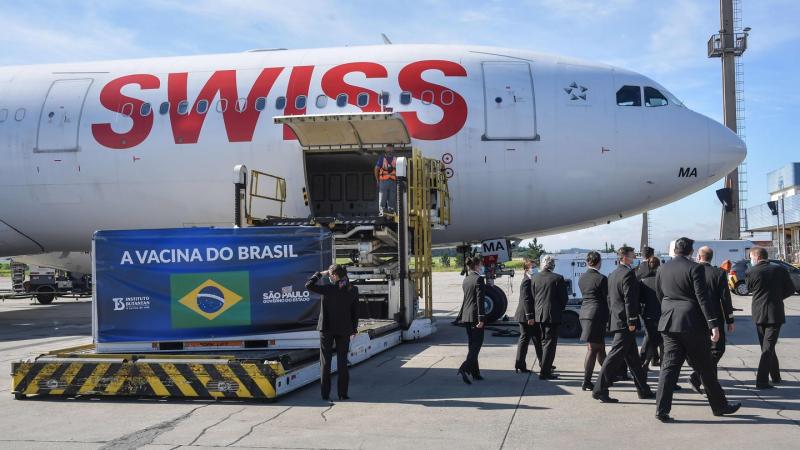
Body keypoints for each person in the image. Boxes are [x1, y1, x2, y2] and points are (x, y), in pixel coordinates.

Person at [654, 237, 740, 422]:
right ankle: (720, 406)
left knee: (669, 368)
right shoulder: (695, 268)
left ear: (675, 250)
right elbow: (703, 298)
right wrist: (713, 325)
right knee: (706, 368)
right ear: (691, 252)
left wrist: (669, 310)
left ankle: (661, 410)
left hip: (669, 322)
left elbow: (660, 294)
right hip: (692, 323)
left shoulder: (662, 268)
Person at [593, 246, 654, 403]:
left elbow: (610, 299)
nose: (635, 255)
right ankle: (600, 389)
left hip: (618, 319)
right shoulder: (627, 274)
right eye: (632, 254)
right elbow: (629, 299)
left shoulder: (613, 274)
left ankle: (643, 390)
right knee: (614, 356)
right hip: (625, 322)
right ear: (625, 257)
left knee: (633, 359)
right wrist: (632, 320)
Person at [306, 264, 360, 401]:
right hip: (344, 329)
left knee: (325, 362)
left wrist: (319, 274)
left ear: (335, 276)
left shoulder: (329, 289)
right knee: (342, 362)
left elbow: (309, 285)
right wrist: (354, 329)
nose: (328, 276)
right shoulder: (352, 289)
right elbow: (355, 312)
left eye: (330, 274)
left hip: (327, 329)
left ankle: (325, 394)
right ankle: (343, 394)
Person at [746, 246, 795, 389]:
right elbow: (791, 289)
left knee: (766, 347)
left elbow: (749, 289)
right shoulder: (780, 269)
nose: (750, 260)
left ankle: (763, 380)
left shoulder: (751, 271)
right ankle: (773, 377)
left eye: (751, 257)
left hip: (759, 313)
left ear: (756, 257)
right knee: (768, 347)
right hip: (775, 312)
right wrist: (778, 297)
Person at [689, 246, 735, 394]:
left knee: (705, 350)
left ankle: (709, 382)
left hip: (695, 317)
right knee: (717, 349)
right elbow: (725, 298)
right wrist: (730, 319)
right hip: (714, 317)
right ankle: (698, 377)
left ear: (699, 256)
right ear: (711, 257)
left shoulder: (691, 271)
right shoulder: (718, 273)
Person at [532, 254, 568, 380]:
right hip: (552, 315)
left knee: (543, 342)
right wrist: (560, 308)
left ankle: (544, 366)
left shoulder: (535, 277)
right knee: (550, 344)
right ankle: (545, 372)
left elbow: (533, 295)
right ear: (553, 265)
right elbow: (564, 298)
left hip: (539, 315)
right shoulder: (558, 278)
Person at [578, 251, 609, 391]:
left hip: (584, 312)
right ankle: (586, 381)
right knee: (593, 348)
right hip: (596, 314)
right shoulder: (601, 278)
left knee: (600, 347)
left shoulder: (582, 278)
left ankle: (609, 374)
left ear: (587, 262)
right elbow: (606, 298)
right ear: (599, 262)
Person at [456, 256, 486, 384]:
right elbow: (479, 300)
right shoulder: (479, 279)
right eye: (481, 265)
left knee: (472, 345)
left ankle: (475, 372)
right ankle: (465, 368)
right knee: (476, 346)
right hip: (475, 317)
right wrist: (481, 318)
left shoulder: (467, 279)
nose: (482, 267)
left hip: (467, 316)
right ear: (477, 266)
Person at [514, 258, 544, 373]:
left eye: (535, 266)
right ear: (526, 269)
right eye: (532, 267)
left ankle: (543, 363)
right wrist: (530, 317)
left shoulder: (533, 279)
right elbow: (526, 299)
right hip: (526, 316)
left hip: (531, 315)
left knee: (537, 339)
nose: (535, 268)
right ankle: (520, 364)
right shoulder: (526, 281)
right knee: (525, 340)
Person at [638, 256, 663, 370]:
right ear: (659, 265)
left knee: (649, 337)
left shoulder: (643, 281)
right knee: (662, 339)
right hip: (662, 312)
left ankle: (644, 360)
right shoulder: (662, 279)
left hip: (647, 313)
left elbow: (641, 299)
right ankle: (661, 363)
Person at [374, 143, 397, 216]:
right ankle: (382, 211)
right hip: (383, 181)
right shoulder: (382, 158)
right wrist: (377, 180)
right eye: (388, 148)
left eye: (391, 148)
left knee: (392, 197)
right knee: (383, 196)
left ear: (393, 149)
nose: (389, 149)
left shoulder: (396, 159)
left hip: (393, 182)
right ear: (385, 149)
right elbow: (376, 169)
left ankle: (391, 211)